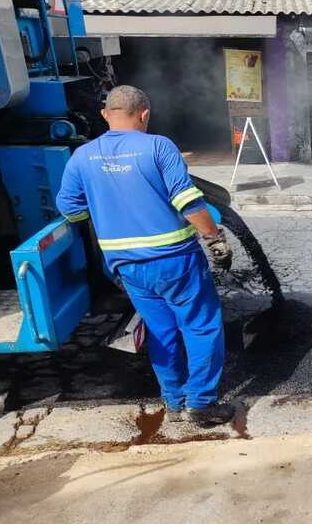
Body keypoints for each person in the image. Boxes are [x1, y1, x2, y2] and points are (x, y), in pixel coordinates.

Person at [56, 85, 235, 426]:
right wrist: (214, 239)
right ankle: (200, 403)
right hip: (174, 260)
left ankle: (173, 400)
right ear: (144, 114)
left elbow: (70, 210)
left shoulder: (82, 156)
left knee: (160, 331)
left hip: (127, 266)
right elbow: (188, 201)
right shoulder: (157, 146)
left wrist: (102, 204)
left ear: (106, 114)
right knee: (200, 326)